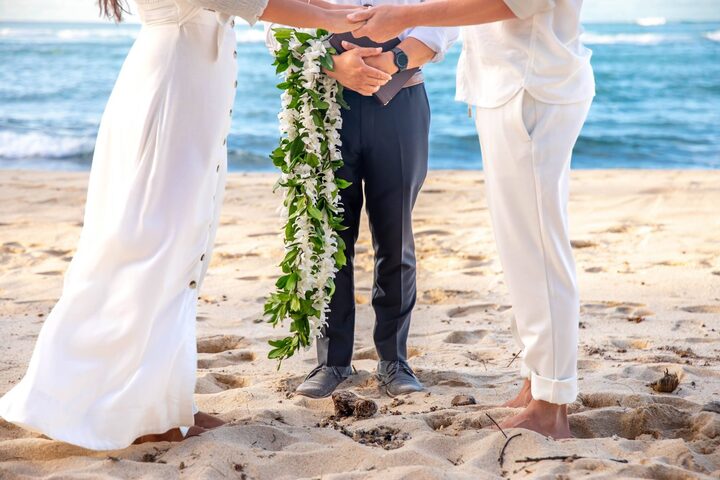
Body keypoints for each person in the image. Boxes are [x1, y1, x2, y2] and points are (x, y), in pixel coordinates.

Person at [0, 0, 362, 450]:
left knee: (183, 249)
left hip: (190, 95)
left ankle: (168, 407)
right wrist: (335, 17)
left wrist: (333, 9)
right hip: (172, 95)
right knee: (152, 248)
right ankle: (108, 404)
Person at [348, 0, 595, 438]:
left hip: (532, 87)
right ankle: (535, 381)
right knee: (521, 251)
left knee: (538, 250)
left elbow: (510, 4)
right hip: (507, 86)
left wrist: (405, 17)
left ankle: (551, 403)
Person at [266, 2, 458, 399]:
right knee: (328, 237)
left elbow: (442, 26)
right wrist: (334, 67)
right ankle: (332, 361)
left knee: (395, 236)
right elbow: (275, 28)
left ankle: (394, 360)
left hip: (402, 103)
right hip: (322, 104)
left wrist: (391, 61)